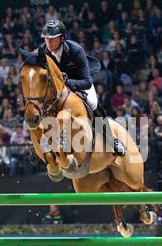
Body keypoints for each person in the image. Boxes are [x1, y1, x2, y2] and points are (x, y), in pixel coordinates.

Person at [39, 20, 126, 157]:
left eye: (53, 39)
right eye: (46, 38)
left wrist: (67, 83)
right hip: (58, 89)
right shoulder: (43, 51)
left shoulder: (75, 50)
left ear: (62, 38)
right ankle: (38, 144)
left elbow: (86, 82)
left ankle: (112, 140)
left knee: (92, 102)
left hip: (78, 82)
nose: (48, 42)